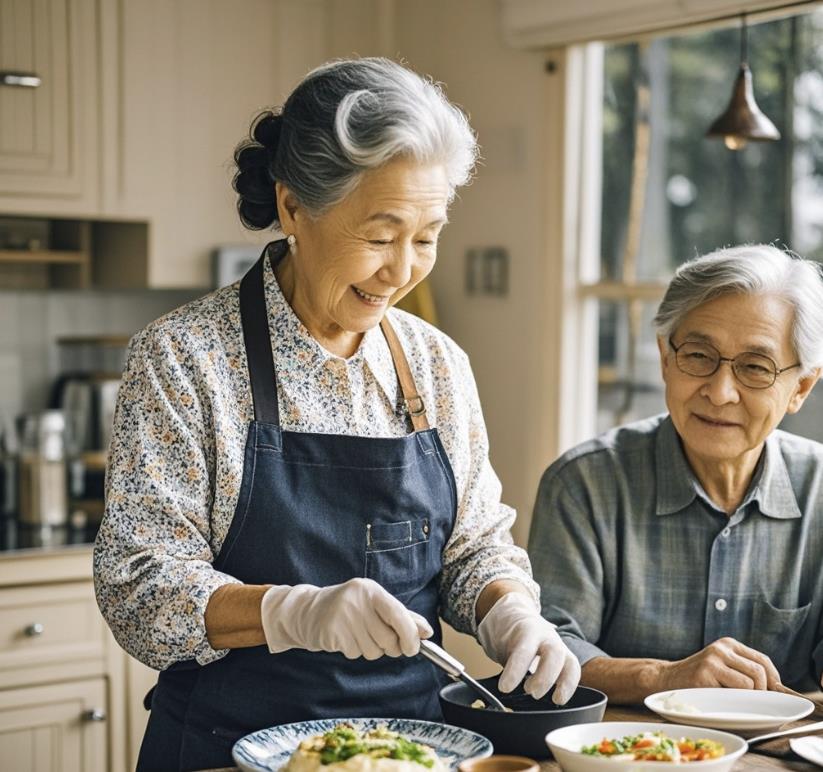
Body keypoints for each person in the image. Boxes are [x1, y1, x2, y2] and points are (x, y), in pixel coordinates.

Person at [93, 57, 580, 771]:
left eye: (427, 236)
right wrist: (290, 612)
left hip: (410, 751)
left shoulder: (437, 365)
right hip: (222, 749)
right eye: (380, 236)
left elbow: (473, 548)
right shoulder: (183, 359)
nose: (403, 270)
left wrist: (510, 611)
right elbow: (139, 584)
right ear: (293, 207)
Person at [529, 244, 823, 704]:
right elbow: (544, 651)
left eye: (754, 368)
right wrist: (662, 677)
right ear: (666, 359)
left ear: (800, 388)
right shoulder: (583, 483)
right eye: (699, 356)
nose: (721, 392)